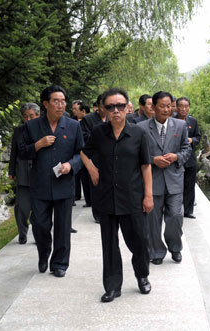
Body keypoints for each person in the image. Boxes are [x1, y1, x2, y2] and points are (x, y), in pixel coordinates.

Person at [81, 88, 154, 303]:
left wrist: (148, 195)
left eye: (120, 106)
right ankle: (112, 286)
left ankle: (142, 275)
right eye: (110, 106)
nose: (116, 110)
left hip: (132, 196)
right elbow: (84, 153)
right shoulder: (98, 132)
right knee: (109, 244)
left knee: (139, 241)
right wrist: (92, 169)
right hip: (106, 196)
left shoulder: (139, 133)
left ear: (127, 107)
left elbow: (146, 166)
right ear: (103, 108)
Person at [18, 85, 84, 277]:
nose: (60, 105)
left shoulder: (73, 126)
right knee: (39, 224)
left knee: (63, 227)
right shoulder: (32, 126)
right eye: (56, 101)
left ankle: (60, 264)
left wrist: (71, 165)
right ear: (45, 104)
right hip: (40, 185)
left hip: (64, 184)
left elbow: (81, 153)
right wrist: (38, 145)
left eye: (63, 101)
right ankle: (43, 252)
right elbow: (22, 152)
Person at [137, 91, 191, 265]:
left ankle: (175, 247)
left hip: (174, 179)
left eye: (169, 106)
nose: (166, 109)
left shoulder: (180, 126)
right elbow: (135, 154)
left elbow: (186, 149)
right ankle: (156, 251)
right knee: (153, 220)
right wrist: (153, 160)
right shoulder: (142, 128)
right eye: (162, 106)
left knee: (175, 216)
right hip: (152, 181)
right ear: (153, 107)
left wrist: (176, 157)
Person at [8, 103, 40, 244]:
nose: (28, 119)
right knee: (22, 207)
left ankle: (38, 234)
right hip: (22, 173)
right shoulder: (18, 130)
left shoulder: (43, 128)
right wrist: (11, 171)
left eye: (31, 116)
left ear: (38, 116)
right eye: (25, 116)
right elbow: (14, 151)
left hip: (39, 173)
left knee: (39, 209)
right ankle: (22, 232)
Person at [81, 95, 107, 223]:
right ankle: (97, 215)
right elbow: (85, 137)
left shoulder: (111, 118)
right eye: (103, 106)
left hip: (109, 156)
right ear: (98, 106)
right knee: (96, 185)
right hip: (94, 157)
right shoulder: (88, 119)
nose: (105, 109)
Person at [175, 97, 201, 218]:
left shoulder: (193, 121)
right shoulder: (171, 120)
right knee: (176, 184)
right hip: (176, 157)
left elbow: (198, 137)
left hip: (190, 157)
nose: (184, 108)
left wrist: (192, 140)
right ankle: (175, 209)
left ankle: (188, 211)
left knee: (190, 185)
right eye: (181, 106)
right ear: (177, 107)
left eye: (186, 106)